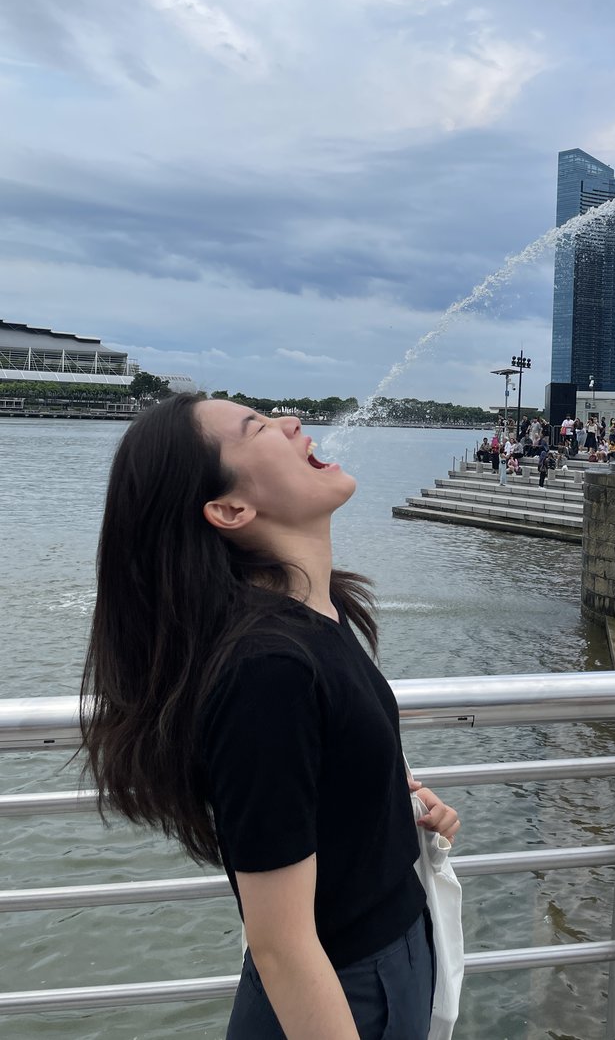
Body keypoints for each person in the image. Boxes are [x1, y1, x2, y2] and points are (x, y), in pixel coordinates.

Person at [80, 395, 459, 1040]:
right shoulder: (266, 670)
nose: (292, 424)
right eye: (258, 427)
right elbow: (282, 945)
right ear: (229, 510)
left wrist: (391, 808)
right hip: (337, 997)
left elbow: (312, 779)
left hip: (389, 960)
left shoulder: (319, 616)